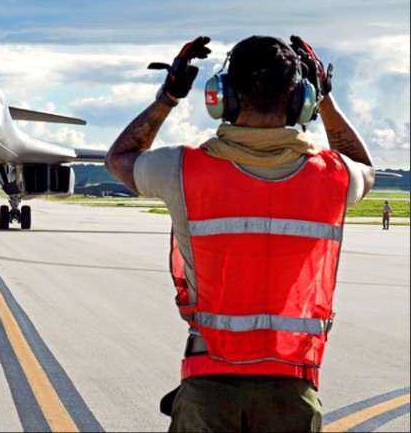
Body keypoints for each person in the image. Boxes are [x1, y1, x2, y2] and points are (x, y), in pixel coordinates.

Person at [105, 35, 375, 432]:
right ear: (302, 100)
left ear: (223, 98)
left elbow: (119, 159)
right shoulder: (334, 177)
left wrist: (169, 95)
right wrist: (327, 100)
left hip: (208, 385)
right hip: (292, 385)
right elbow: (363, 166)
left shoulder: (181, 170)